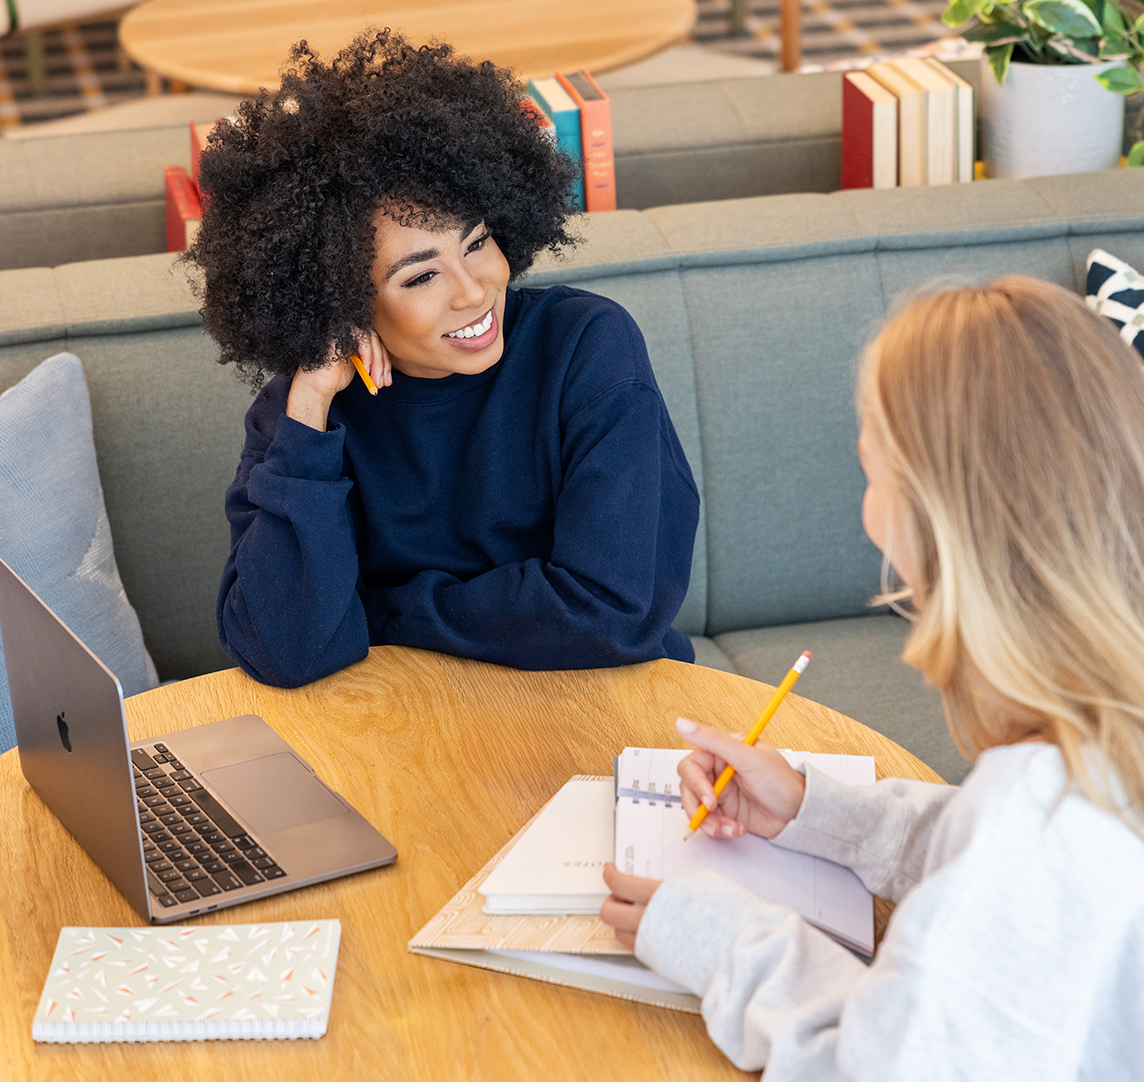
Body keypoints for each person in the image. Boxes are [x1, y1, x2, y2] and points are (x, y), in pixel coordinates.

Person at [600, 276, 1144, 1078]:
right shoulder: (1094, 748)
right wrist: (820, 814)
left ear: (936, 516)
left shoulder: (1036, 820)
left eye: (870, 468)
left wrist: (723, 938)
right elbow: (1003, 878)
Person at [186, 30, 699, 688]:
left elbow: (609, 611)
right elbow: (284, 649)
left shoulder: (585, 347)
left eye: (477, 242)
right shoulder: (301, 416)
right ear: (342, 301)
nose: (474, 290)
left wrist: (378, 612)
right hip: (411, 727)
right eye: (420, 277)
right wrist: (311, 408)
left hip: (599, 705)